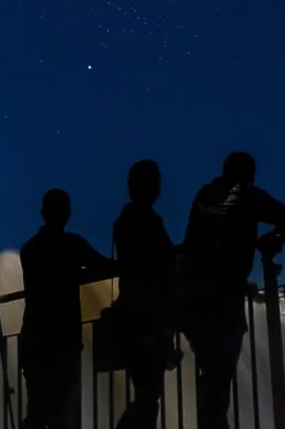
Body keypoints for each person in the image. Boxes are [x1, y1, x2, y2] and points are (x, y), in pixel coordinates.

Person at [179, 151, 285, 429]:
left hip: (191, 295)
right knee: (220, 370)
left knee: (209, 370)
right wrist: (268, 238)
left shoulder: (204, 194)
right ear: (249, 175)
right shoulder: (250, 195)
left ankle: (209, 422)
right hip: (224, 295)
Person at [19, 188, 117, 429]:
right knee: (64, 413)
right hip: (63, 343)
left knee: (37, 411)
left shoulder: (29, 249)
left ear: (43, 212)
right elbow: (105, 266)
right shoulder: (72, 245)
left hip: (33, 341)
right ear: (67, 214)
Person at [112, 160, 179, 429]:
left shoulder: (125, 221)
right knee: (148, 397)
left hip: (134, 317)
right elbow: (159, 268)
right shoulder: (146, 222)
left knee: (146, 395)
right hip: (147, 320)